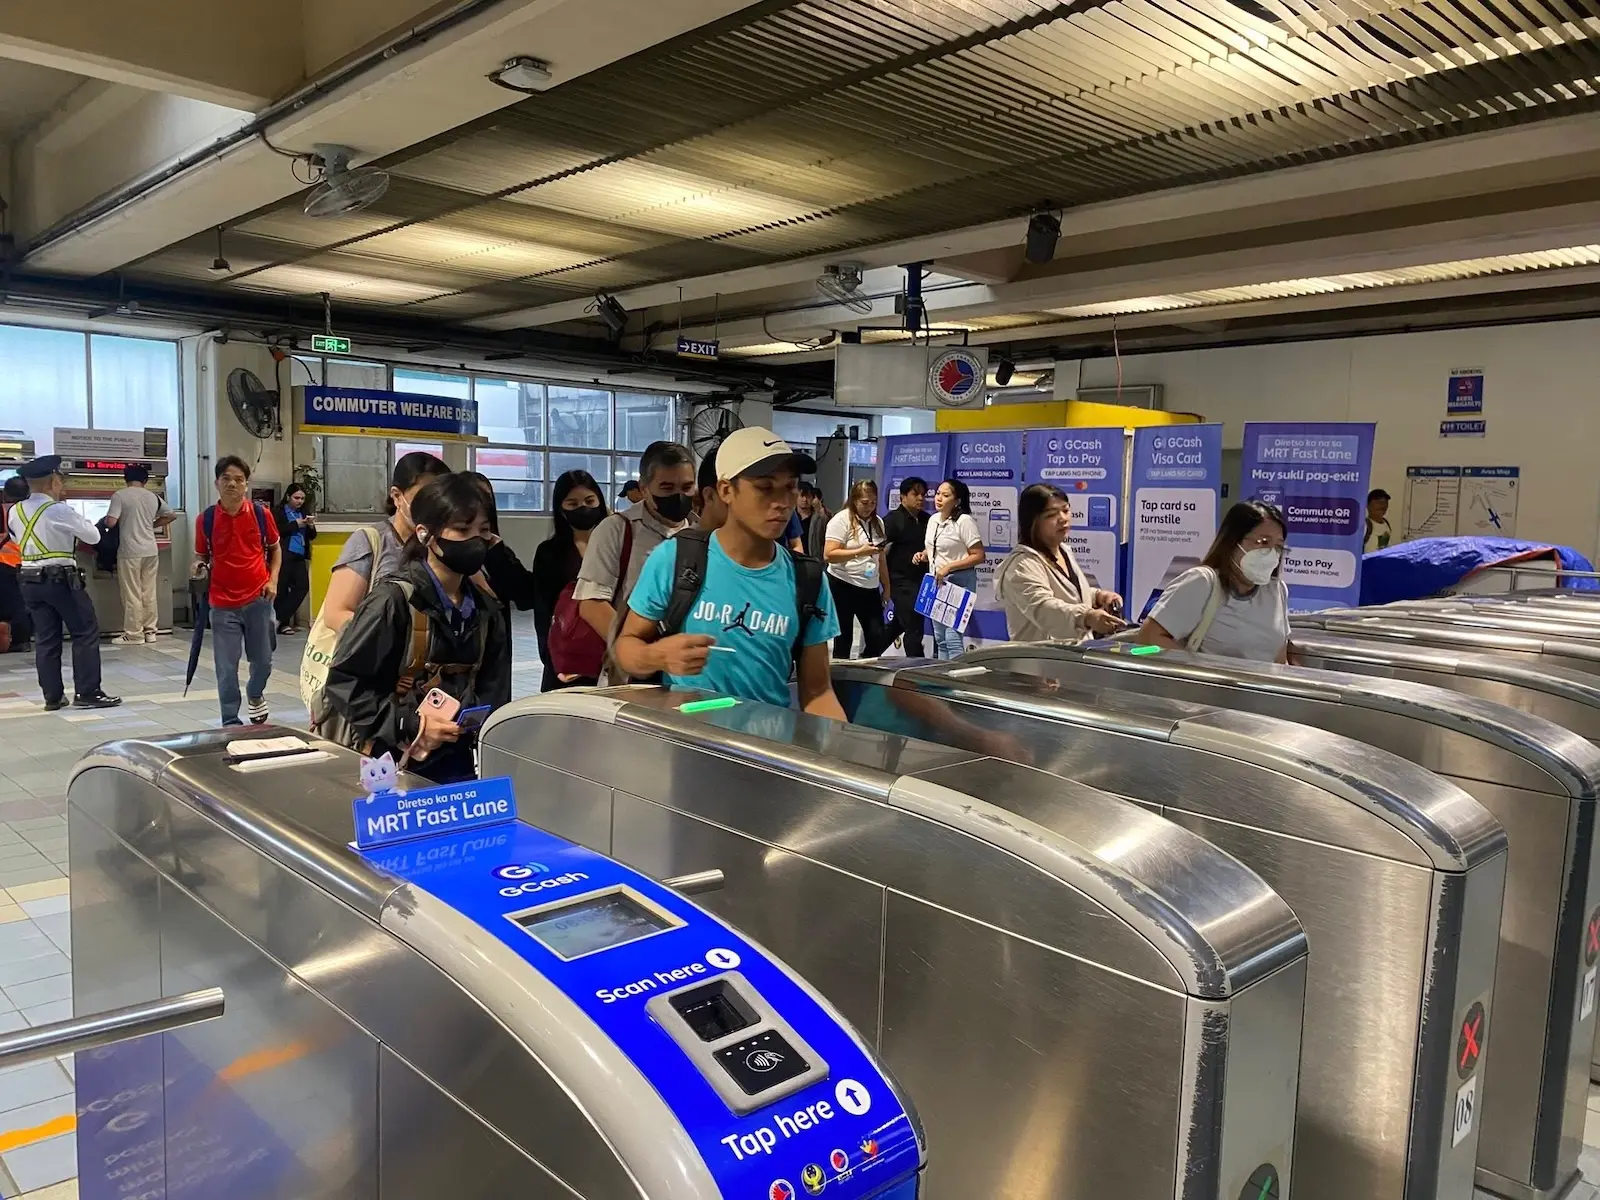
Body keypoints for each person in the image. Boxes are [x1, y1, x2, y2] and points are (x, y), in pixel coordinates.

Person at [612, 427, 845, 717]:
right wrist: (657, 656)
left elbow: (818, 691)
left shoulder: (807, 579)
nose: (783, 503)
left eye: (790, 487)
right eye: (765, 487)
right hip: (687, 737)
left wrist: (840, 741)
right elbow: (625, 647)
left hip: (766, 741)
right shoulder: (676, 559)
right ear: (725, 491)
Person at [323, 475, 510, 784]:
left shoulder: (487, 610)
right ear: (425, 534)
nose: (476, 541)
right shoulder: (392, 601)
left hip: (461, 766)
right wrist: (410, 723)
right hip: (392, 762)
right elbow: (345, 683)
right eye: (462, 530)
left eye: (484, 530)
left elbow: (496, 690)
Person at [575, 441, 697, 682]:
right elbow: (591, 603)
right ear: (644, 487)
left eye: (686, 487)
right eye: (666, 488)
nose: (678, 496)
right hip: (632, 673)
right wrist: (637, 652)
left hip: (686, 670)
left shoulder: (700, 532)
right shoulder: (617, 529)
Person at [5, 456, 119, 709]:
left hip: (29, 581)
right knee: (84, 631)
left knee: (46, 638)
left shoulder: (15, 511)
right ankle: (88, 692)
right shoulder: (59, 510)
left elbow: (15, 539)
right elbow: (93, 536)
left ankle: (53, 696)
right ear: (52, 482)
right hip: (60, 580)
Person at [1139, 500, 1295, 663]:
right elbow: (1148, 639)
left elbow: (1279, 656)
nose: (1271, 553)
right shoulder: (1202, 583)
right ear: (1233, 542)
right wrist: (1203, 672)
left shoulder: (1276, 590)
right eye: (1263, 542)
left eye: (1278, 547)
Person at [320, 451, 449, 633]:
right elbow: (336, 613)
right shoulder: (370, 541)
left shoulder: (443, 542)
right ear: (397, 496)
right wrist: (386, 637)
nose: (431, 508)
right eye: (422, 498)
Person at [194, 456, 281, 726]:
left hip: (258, 599)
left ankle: (255, 692)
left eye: (238, 479)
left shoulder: (261, 515)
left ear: (246, 485)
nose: (232, 484)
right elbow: (201, 555)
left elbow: (275, 549)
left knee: (263, 662)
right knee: (226, 668)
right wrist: (198, 566)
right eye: (226, 479)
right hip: (222, 604)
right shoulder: (206, 519)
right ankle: (230, 721)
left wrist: (273, 580)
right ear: (217, 483)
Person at [995, 483, 1124, 643]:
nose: (1063, 519)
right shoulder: (1021, 566)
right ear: (1032, 521)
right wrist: (1086, 617)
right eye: (1051, 515)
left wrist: (1098, 596)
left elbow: (1069, 592)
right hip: (1040, 656)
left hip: (1074, 653)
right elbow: (1045, 609)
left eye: (1066, 510)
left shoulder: (1063, 550)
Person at [531, 470, 608, 691]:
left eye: (589, 501)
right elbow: (543, 611)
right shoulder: (549, 552)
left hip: (608, 656)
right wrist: (552, 659)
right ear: (561, 509)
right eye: (572, 503)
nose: (583, 508)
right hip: (566, 663)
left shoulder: (615, 545)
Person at [105, 463, 176, 645]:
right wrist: (152, 525)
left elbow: (111, 522)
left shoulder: (120, 495)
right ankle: (150, 632)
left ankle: (134, 634)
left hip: (130, 551)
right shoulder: (153, 497)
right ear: (145, 480)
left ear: (125, 479)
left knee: (132, 593)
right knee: (149, 591)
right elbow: (171, 515)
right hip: (151, 550)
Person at [823, 479, 892, 660]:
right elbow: (829, 555)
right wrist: (859, 552)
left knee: (877, 636)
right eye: (864, 503)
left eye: (873, 503)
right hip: (842, 584)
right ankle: (841, 675)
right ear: (854, 500)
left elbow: (881, 557)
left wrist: (886, 587)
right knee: (844, 638)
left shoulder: (878, 522)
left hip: (870, 586)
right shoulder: (841, 520)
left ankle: (866, 670)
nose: (869, 507)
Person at [921, 478, 986, 659]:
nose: (939, 498)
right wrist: (924, 554)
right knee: (940, 638)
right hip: (937, 581)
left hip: (959, 581)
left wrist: (949, 567)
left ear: (957, 501)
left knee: (952, 636)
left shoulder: (964, 521)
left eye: (945, 495)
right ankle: (944, 674)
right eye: (937, 493)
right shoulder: (933, 519)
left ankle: (957, 674)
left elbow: (979, 555)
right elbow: (936, 547)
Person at [883, 476, 929, 657]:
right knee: (913, 625)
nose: (920, 498)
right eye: (915, 494)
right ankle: (917, 667)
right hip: (900, 582)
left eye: (923, 494)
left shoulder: (927, 520)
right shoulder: (893, 520)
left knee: (899, 624)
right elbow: (879, 549)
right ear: (902, 497)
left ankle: (870, 651)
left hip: (922, 581)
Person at [273, 482, 317, 635]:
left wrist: (310, 526)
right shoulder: (279, 512)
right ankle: (283, 624)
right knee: (282, 589)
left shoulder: (303, 512)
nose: (299, 501)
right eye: (296, 498)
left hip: (299, 554)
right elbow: (276, 531)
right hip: (284, 554)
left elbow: (312, 535)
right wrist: (295, 524)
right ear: (288, 497)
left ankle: (279, 618)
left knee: (302, 587)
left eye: (302, 499)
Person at [0, 475, 32, 653]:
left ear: (5, 493)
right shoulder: (31, 512)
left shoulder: (3, 511)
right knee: (24, 602)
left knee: (12, 604)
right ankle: (23, 638)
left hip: (5, 563)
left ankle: (18, 640)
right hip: (28, 562)